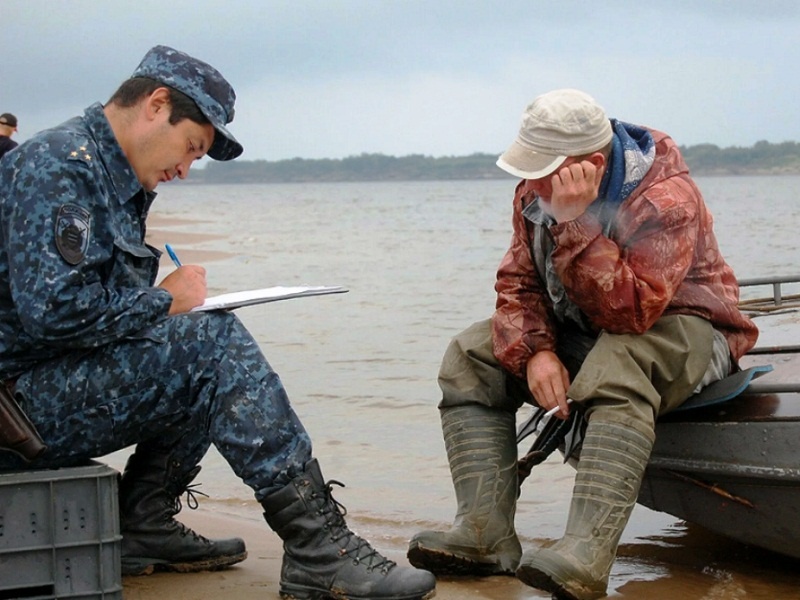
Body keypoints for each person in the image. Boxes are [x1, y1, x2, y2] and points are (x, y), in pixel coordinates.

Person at [0, 45, 436, 600]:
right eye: (191, 147)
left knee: (203, 337)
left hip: (30, 395)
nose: (185, 169)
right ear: (156, 105)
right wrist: (165, 302)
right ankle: (318, 548)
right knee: (210, 343)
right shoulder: (61, 166)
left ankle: (144, 522)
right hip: (14, 414)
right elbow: (53, 313)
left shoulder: (109, 173)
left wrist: (172, 308)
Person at [406, 89, 758, 600]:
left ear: (591, 164)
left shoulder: (666, 200)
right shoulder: (534, 192)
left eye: (544, 171)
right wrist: (537, 351)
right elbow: (517, 284)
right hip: (595, 327)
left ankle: (585, 556)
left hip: (690, 329)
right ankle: (484, 535)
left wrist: (575, 223)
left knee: (620, 361)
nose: (532, 184)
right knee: (472, 354)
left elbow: (633, 314)